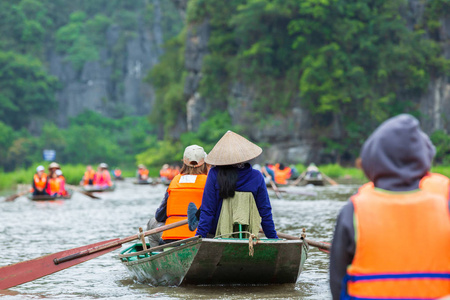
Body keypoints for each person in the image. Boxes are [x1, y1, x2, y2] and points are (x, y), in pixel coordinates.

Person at [329, 114, 450, 300]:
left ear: (371, 159)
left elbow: (337, 285)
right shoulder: (445, 208)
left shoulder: (353, 211)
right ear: (424, 159)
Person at [195, 131, 278, 239]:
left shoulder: (214, 173)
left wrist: (199, 236)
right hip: (247, 235)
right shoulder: (257, 176)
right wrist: (273, 238)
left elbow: (208, 210)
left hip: (217, 234)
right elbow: (265, 212)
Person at [147, 145, 208, 247]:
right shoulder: (208, 182)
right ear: (204, 163)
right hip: (198, 236)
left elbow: (159, 216)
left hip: (172, 238)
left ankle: (158, 257)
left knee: (151, 222)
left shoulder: (174, 181)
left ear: (184, 162)